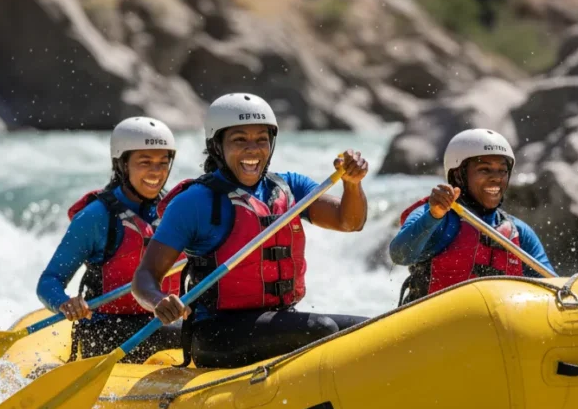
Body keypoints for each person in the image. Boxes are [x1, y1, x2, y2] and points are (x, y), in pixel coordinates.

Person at [132, 93, 370, 368]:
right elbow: (145, 276)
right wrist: (159, 301)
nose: (253, 149)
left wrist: (352, 184)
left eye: (261, 139)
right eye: (239, 140)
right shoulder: (194, 202)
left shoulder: (289, 187)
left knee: (369, 330)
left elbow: (349, 222)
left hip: (277, 321)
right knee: (321, 328)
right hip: (217, 334)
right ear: (217, 146)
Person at [37, 117, 182, 362]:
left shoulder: (176, 209)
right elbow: (49, 281)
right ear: (123, 164)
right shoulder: (96, 217)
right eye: (145, 162)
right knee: (182, 334)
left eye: (163, 162)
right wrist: (64, 303)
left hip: (163, 322)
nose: (156, 172)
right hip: (108, 330)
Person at [390, 128, 555, 305]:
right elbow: (400, 255)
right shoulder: (437, 217)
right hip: (436, 325)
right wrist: (433, 215)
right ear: (458, 176)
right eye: (484, 170)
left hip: (498, 328)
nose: (496, 178)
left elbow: (553, 288)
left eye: (502, 171)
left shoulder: (519, 232)